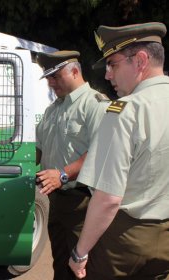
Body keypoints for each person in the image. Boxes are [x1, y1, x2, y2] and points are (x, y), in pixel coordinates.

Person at [69, 22, 169, 279]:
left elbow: (108, 199)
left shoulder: (124, 111)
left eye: (113, 64)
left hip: (123, 242)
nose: (107, 75)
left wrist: (80, 253)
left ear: (141, 61)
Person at [35, 50, 110, 280]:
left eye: (55, 76)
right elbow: (39, 150)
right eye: (48, 78)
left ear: (75, 71)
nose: (50, 83)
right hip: (56, 201)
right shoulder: (52, 110)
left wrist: (63, 175)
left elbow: (102, 152)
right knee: (60, 264)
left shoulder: (96, 105)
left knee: (84, 268)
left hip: (84, 203)